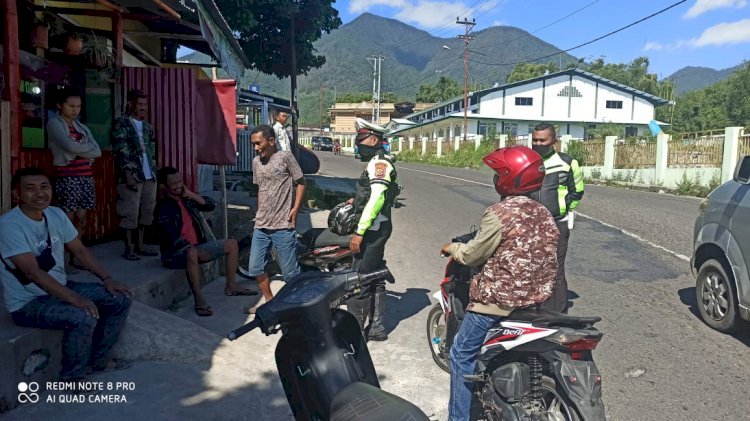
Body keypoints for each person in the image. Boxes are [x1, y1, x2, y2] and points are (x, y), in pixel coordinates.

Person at [440, 146, 559, 420]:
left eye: (498, 174)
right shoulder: (544, 213)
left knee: (460, 353)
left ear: (508, 178)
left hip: (496, 303)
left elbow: (473, 255)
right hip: (537, 300)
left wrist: (454, 247)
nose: (494, 179)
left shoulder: (498, 213)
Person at [0, 167, 133, 382]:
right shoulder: (8, 225)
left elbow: (79, 251)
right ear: (17, 195)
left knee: (120, 298)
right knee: (82, 314)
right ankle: (73, 378)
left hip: (60, 287)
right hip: (28, 303)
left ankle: (99, 362)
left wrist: (107, 278)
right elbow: (31, 272)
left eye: (44, 187)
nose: (40, 193)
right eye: (30, 189)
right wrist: (75, 299)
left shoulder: (56, 214)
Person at [155, 167, 257, 317]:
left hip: (197, 247)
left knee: (231, 244)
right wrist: (193, 249)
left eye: (179, 181)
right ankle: (199, 298)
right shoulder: (163, 208)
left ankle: (231, 286)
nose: (178, 185)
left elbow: (210, 205)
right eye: (173, 183)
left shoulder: (187, 200)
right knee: (191, 252)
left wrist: (190, 194)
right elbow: (170, 238)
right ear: (164, 186)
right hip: (175, 254)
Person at [345, 118, 400, 342]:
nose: (359, 144)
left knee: (361, 279)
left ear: (374, 139)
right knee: (374, 275)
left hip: (373, 230)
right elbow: (371, 194)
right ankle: (376, 327)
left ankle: (355, 333)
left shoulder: (380, 164)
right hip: (379, 228)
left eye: (361, 140)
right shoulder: (377, 162)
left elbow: (377, 200)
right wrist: (355, 201)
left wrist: (359, 232)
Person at [244, 125, 306, 314]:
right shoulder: (256, 162)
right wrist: (258, 212)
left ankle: (298, 307)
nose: (256, 148)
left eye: (258, 143)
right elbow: (261, 190)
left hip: (283, 225)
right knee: (255, 267)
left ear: (271, 141)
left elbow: (301, 182)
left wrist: (296, 208)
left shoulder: (286, 157)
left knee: (290, 273)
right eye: (253, 144)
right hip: (261, 225)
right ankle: (271, 303)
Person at [529, 123, 584, 313]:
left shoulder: (567, 163)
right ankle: (531, 308)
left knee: (555, 268)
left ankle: (558, 312)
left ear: (554, 141)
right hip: (529, 225)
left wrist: (566, 212)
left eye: (543, 140)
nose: (538, 143)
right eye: (535, 140)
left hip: (556, 223)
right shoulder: (525, 161)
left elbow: (577, 191)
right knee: (529, 265)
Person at [46, 87, 102, 271]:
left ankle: (75, 257)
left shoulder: (82, 127)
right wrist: (84, 149)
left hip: (85, 176)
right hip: (67, 176)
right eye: (71, 106)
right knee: (66, 219)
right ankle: (61, 259)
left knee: (81, 218)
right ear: (60, 105)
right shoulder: (54, 124)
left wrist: (80, 148)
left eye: (78, 106)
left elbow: (98, 151)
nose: (75, 110)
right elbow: (69, 146)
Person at [112, 89, 158, 261]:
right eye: (139, 104)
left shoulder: (148, 127)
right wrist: (128, 173)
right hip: (131, 174)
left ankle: (141, 245)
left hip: (149, 174)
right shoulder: (121, 123)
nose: (143, 108)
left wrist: (154, 173)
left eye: (145, 105)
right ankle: (129, 247)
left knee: (147, 211)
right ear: (131, 104)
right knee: (129, 212)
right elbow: (120, 150)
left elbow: (152, 152)